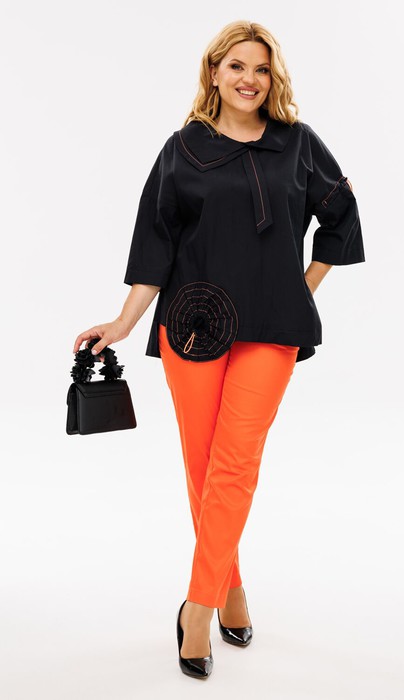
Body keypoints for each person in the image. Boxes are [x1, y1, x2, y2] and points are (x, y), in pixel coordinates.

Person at [73, 20, 365, 680]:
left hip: (273, 325)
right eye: (236, 66)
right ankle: (230, 590)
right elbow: (155, 245)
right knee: (205, 469)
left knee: (234, 466)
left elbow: (342, 217)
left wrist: (302, 287)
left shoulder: (297, 143)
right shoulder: (182, 149)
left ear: (272, 77)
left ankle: (197, 611)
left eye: (261, 69)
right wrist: (123, 322)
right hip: (191, 324)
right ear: (213, 72)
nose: (249, 79)